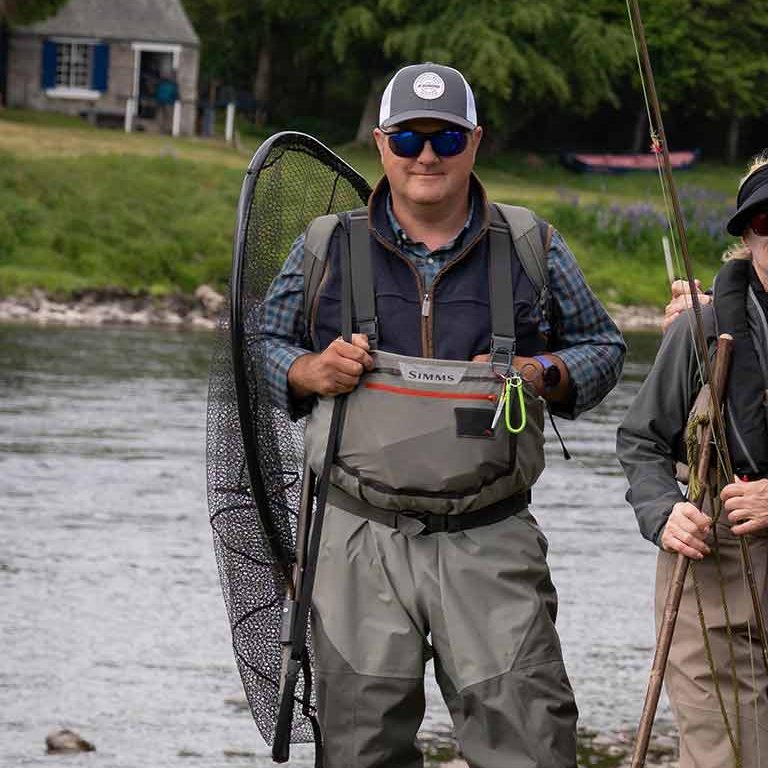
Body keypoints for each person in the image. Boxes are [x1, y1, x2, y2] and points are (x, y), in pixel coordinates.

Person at [260, 62, 625, 768]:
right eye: (410, 137)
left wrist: (545, 372)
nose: (427, 154)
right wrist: (306, 370)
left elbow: (604, 349)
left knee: (530, 743)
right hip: (356, 540)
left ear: (475, 143)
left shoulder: (530, 246)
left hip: (491, 537)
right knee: (359, 750)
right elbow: (261, 347)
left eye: (447, 139)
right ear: (381, 143)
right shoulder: (324, 246)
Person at [617, 152, 768, 767]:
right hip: (716, 584)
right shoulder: (699, 331)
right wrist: (662, 511)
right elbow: (641, 441)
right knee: (728, 758)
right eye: (767, 222)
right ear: (746, 237)